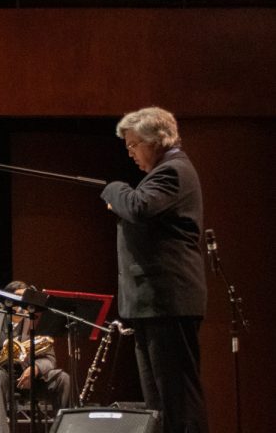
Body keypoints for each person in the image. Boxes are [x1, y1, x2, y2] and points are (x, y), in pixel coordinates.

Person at [101, 107, 208, 433]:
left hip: (168, 302)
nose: (130, 152)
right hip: (152, 305)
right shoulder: (163, 174)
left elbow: (137, 206)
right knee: (158, 404)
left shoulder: (173, 171)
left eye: (134, 145)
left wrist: (113, 188)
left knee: (178, 399)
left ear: (156, 140)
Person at [0, 280, 71, 433]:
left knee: (63, 379)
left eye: (26, 298)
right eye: (19, 298)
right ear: (7, 300)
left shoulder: (34, 320)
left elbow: (50, 359)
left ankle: (66, 429)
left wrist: (35, 368)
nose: (23, 303)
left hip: (28, 377)